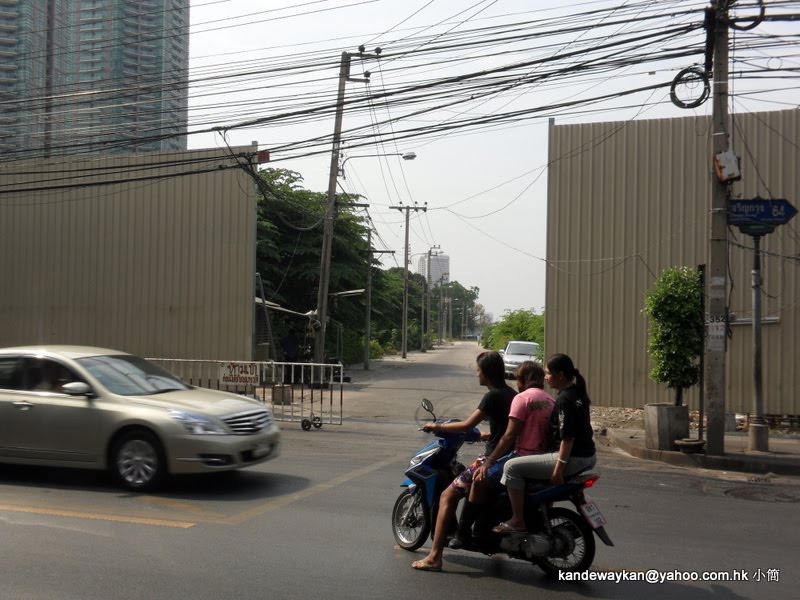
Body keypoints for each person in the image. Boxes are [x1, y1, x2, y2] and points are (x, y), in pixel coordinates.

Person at [411, 351, 515, 572]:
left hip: (491, 458)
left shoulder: (492, 396)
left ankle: (435, 556)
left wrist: (437, 427)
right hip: (508, 455)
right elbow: (504, 428)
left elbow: (466, 425)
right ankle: (467, 532)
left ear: (486, 373)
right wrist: (486, 435)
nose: (477, 374)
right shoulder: (510, 394)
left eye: (478, 370)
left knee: (447, 495)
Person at [493, 353, 596, 534]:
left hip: (572, 458)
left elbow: (568, 438)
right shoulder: (577, 394)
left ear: (561, 375)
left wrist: (558, 469)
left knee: (511, 468)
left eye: (548, 373)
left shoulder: (564, 399)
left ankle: (517, 519)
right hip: (588, 456)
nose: (546, 377)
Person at [461, 361, 555, 543]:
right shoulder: (550, 400)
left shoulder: (521, 399)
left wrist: (489, 462)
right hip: (544, 457)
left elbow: (509, 436)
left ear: (523, 380)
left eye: (517, 379)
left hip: (523, 456)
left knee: (480, 480)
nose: (516, 384)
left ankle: (472, 532)